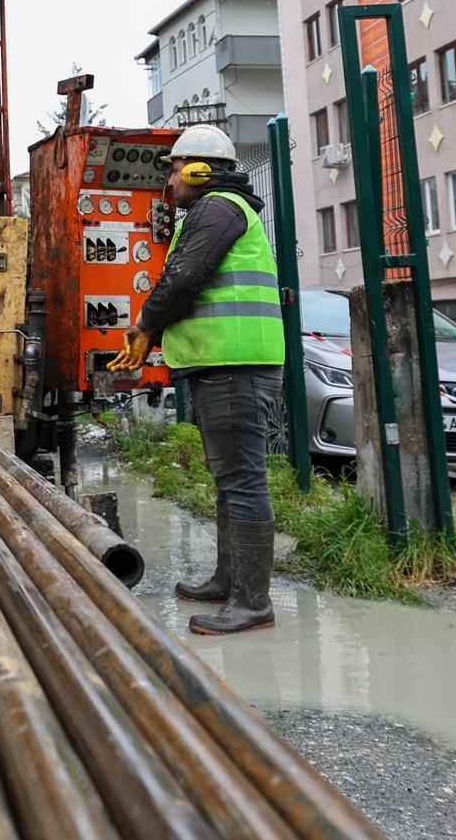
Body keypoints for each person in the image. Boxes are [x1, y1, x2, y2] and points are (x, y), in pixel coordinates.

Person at [108, 123, 285, 636]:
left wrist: (144, 325)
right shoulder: (219, 211)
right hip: (226, 361)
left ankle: (253, 604)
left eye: (175, 167)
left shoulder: (217, 208)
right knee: (231, 480)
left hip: (236, 362)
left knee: (244, 480)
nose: (170, 179)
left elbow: (183, 277)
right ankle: (231, 583)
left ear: (202, 168)